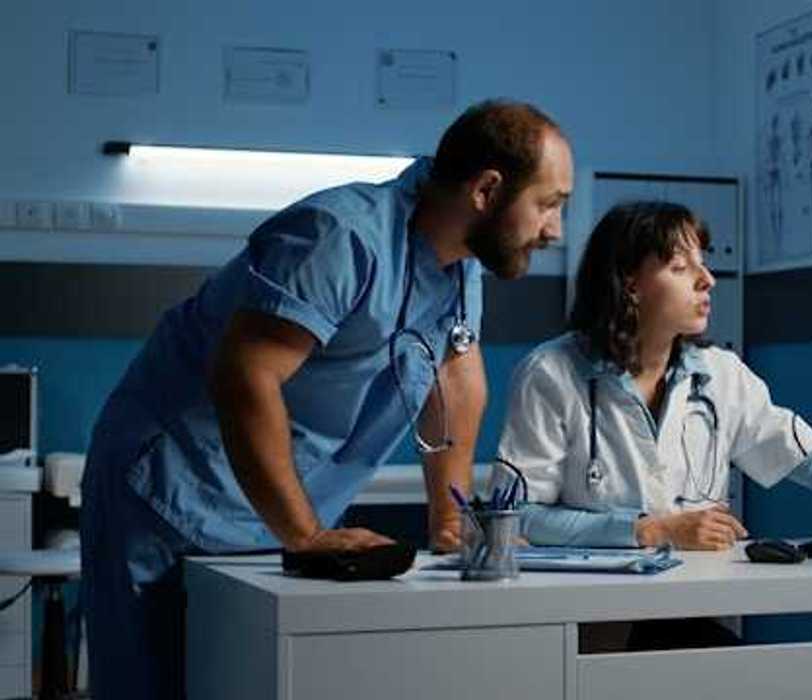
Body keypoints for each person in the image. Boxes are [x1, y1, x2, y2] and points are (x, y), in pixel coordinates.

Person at [81, 99, 573, 699]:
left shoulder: (460, 265)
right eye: (548, 205)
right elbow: (246, 375)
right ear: (487, 190)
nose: (555, 231)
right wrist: (306, 533)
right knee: (156, 684)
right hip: (174, 491)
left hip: (278, 513)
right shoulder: (340, 237)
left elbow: (457, 374)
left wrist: (450, 518)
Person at [492, 200, 812, 553]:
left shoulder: (720, 376)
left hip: (694, 604)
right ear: (629, 283)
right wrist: (648, 531)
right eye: (680, 265)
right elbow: (518, 516)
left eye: (705, 262)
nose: (706, 278)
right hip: (591, 610)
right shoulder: (553, 374)